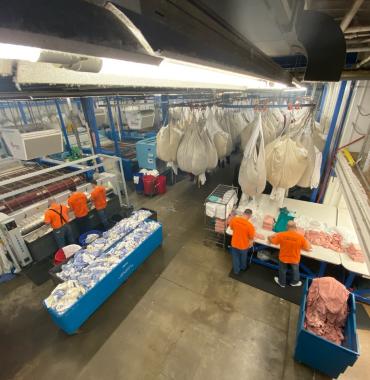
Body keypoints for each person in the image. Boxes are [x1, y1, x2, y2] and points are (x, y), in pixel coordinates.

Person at [268, 220, 312, 288]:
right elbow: (308, 248)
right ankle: (294, 282)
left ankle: (282, 283)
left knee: (282, 270)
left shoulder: (281, 234)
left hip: (283, 257)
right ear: (295, 227)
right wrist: (307, 242)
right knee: (295, 271)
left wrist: (271, 236)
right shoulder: (300, 237)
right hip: (294, 258)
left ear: (287, 227)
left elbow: (272, 241)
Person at [228, 209, 255, 275]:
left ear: (243, 213)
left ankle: (236, 271)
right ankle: (243, 267)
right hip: (243, 246)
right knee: (243, 257)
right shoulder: (250, 226)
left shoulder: (234, 220)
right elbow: (251, 238)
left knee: (235, 258)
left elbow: (231, 228)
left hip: (234, 243)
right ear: (250, 216)